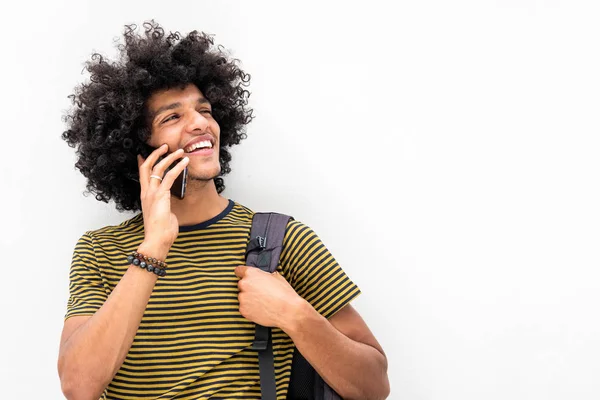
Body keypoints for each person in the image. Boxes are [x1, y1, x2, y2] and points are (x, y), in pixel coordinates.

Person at [58, 21, 390, 400]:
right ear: (138, 151)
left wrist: (296, 316)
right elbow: (78, 386)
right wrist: (152, 249)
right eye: (172, 117)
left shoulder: (282, 240)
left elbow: (374, 386)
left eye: (205, 110)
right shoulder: (100, 252)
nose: (201, 123)